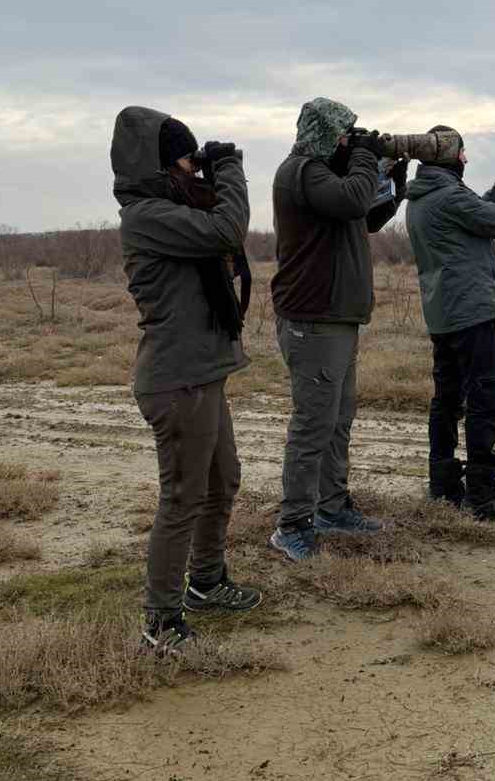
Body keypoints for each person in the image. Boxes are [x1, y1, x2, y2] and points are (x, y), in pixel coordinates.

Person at [111, 106, 262, 652]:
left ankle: (206, 581)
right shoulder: (146, 215)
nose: (193, 169)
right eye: (185, 158)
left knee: (222, 481)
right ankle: (161, 619)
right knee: (182, 497)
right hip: (177, 381)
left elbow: (217, 235)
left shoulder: (170, 207)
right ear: (156, 164)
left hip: (202, 372)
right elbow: (227, 228)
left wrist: (212, 174)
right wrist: (232, 170)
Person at [269, 97, 406, 560]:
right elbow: (350, 199)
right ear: (325, 134)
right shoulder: (303, 171)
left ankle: (331, 507)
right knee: (313, 425)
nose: (351, 141)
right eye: (346, 135)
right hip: (313, 320)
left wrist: (394, 180)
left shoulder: (327, 177)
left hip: (337, 319)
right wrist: (367, 157)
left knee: (338, 421)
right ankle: (292, 524)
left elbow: (365, 215)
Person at [404, 128, 495, 521]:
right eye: (462, 153)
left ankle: (443, 484)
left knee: (446, 400)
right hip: (472, 313)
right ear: (450, 157)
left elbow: (476, 212)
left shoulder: (424, 197)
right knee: (485, 398)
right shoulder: (448, 196)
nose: (465, 159)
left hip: (444, 313)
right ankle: (482, 494)